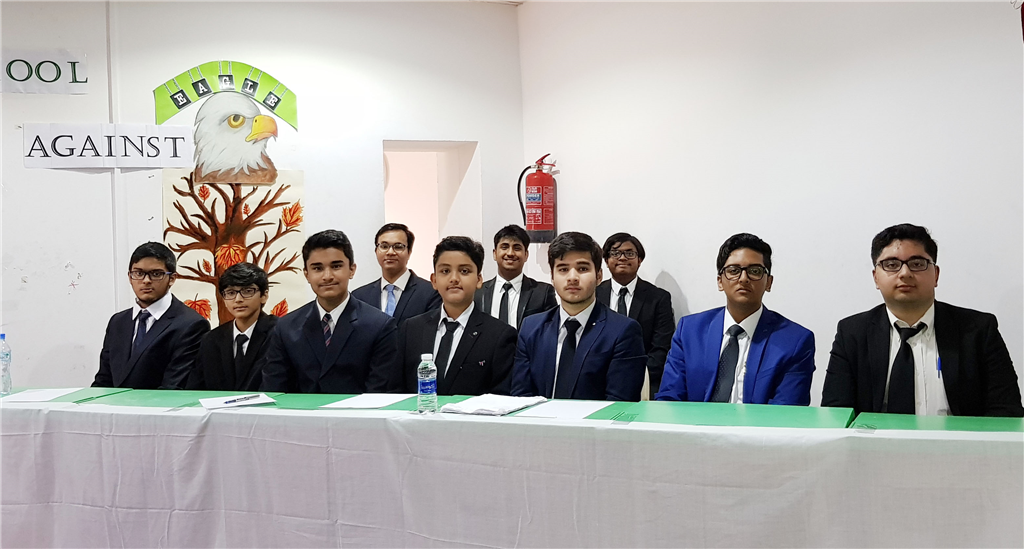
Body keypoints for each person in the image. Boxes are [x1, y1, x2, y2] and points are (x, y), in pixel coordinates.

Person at [822, 223, 1023, 416]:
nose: (905, 273)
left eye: (917, 264)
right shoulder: (852, 333)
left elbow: (1006, 410)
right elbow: (837, 414)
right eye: (891, 265)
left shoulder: (978, 330)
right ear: (876, 277)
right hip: (878, 441)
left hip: (957, 440)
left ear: (936, 275)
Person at [656, 233, 815, 405]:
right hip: (695, 423)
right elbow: (669, 399)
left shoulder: (795, 341)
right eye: (733, 271)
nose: (744, 278)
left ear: (768, 282)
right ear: (720, 281)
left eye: (755, 271)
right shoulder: (690, 331)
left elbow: (787, 411)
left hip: (758, 423)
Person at [511, 232, 647, 401]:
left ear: (599, 276)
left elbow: (618, 404)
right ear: (552, 277)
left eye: (582, 269)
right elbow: (521, 398)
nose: (572, 278)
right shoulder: (531, 328)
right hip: (538, 418)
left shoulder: (623, 331)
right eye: (563, 269)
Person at [261, 230, 397, 393]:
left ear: (352, 270)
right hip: (302, 410)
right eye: (317, 268)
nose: (327, 276)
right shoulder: (286, 327)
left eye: (336, 266)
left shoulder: (380, 325)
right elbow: (275, 389)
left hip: (358, 410)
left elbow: (379, 392)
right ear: (307, 274)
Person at [393, 236, 518, 395]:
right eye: (445, 271)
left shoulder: (499, 335)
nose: (454, 279)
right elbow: (396, 389)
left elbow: (502, 397)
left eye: (464, 271)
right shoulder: (411, 329)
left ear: (479, 280)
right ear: (434, 280)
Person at [93, 242, 209, 389]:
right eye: (138, 273)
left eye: (156, 274)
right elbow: (103, 381)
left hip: (160, 403)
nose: (146, 280)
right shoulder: (118, 322)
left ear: (172, 278)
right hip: (116, 404)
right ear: (130, 277)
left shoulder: (191, 325)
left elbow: (173, 388)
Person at [596, 233, 675, 399]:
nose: (622, 258)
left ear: (639, 260)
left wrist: (635, 377)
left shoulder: (658, 298)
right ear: (606, 260)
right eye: (615, 253)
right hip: (597, 379)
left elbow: (662, 348)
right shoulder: (594, 295)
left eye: (629, 253)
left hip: (644, 381)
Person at [187, 262, 278, 391]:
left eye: (247, 291)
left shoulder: (279, 333)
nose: (238, 299)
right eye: (230, 293)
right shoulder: (211, 339)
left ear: (264, 296)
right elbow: (195, 389)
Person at [351, 223, 442, 325]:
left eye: (398, 247)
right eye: (384, 246)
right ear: (376, 251)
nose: (390, 252)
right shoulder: (359, 297)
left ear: (409, 252)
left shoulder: (430, 293)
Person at [475, 225, 558, 330]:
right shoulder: (478, 292)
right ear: (495, 254)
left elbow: (551, 330)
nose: (510, 253)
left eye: (517, 248)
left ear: (526, 255)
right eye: (504, 247)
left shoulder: (543, 293)